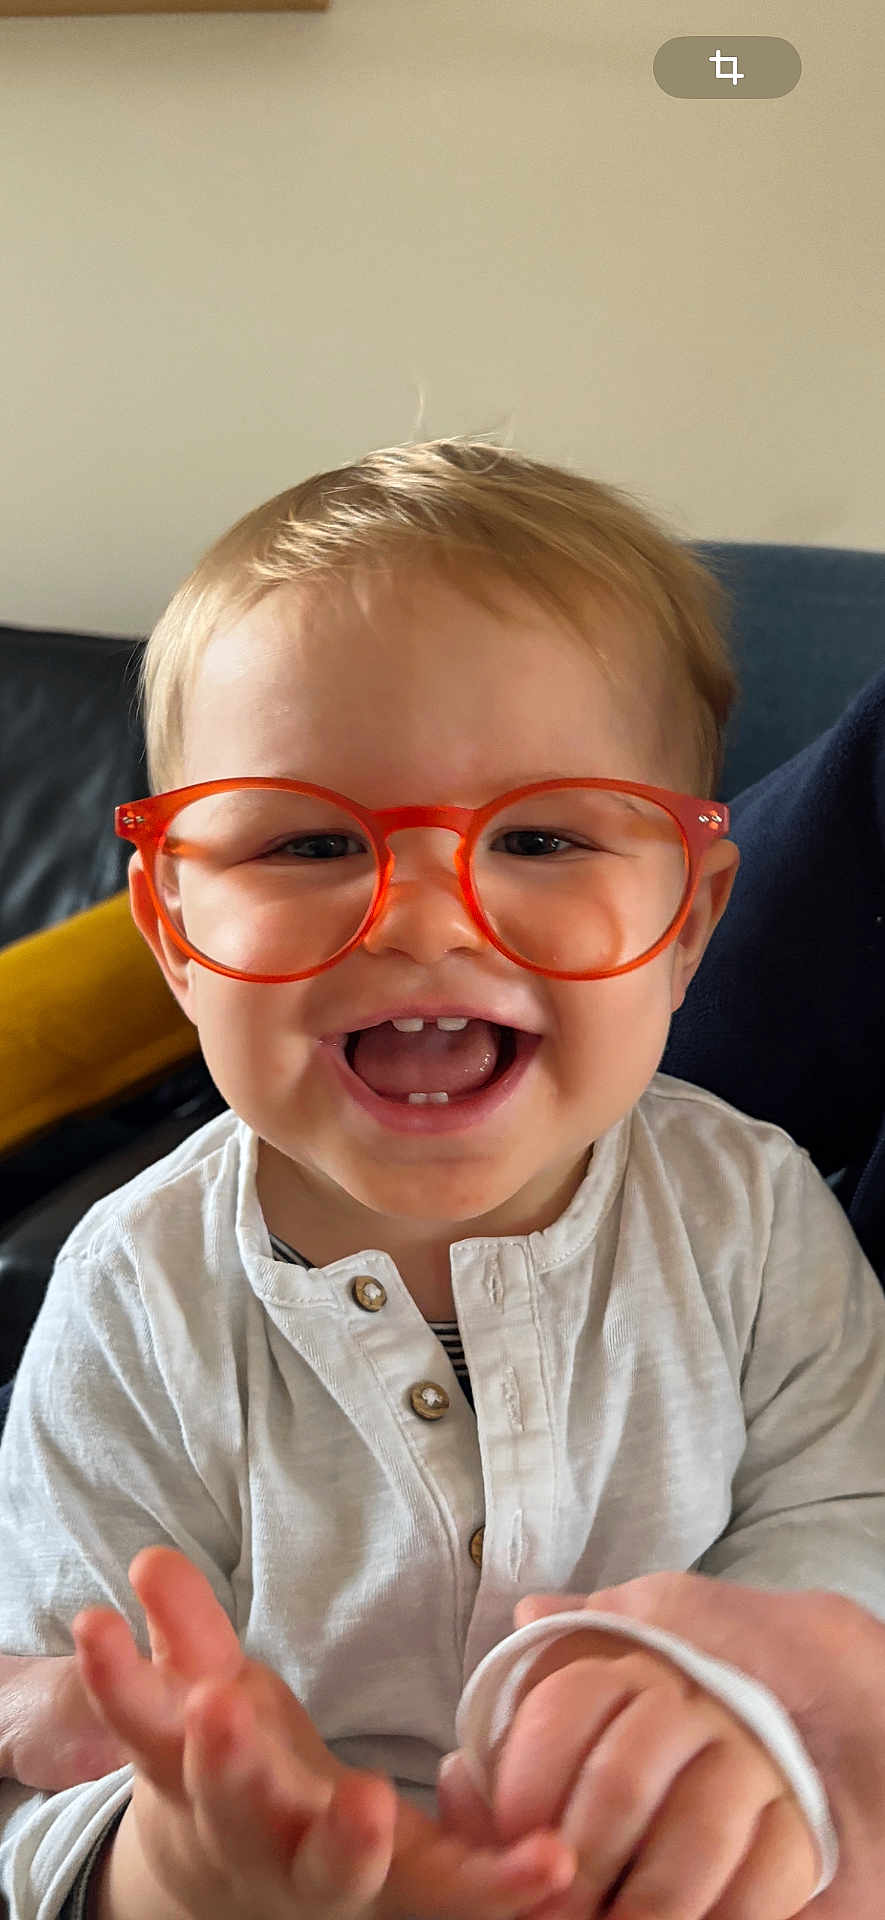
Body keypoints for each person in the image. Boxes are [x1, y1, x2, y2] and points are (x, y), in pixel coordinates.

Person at [2, 435, 885, 1920]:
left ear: (686, 916)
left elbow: (846, 1517)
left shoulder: (751, 1208)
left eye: (539, 835)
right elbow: (55, 1748)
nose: (420, 915)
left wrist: (742, 1697)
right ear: (169, 932)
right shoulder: (136, 1288)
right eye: (309, 842)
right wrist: (170, 1868)